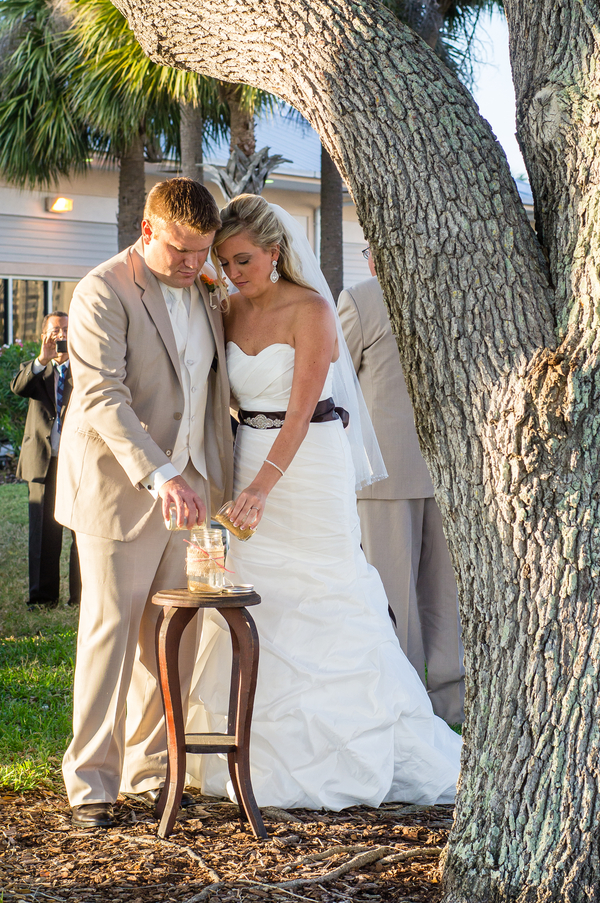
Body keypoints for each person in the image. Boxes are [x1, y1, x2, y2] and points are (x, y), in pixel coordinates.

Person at [186, 195, 461, 810]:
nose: (234, 273)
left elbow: (306, 407)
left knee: (325, 591)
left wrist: (262, 488)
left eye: (245, 260)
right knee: (257, 594)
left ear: (276, 252)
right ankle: (246, 748)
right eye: (225, 263)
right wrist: (242, 480)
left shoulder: (311, 309)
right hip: (250, 452)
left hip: (307, 461)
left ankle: (355, 742)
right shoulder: (225, 310)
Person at [55, 178, 233, 828]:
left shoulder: (210, 294)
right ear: (149, 230)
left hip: (192, 493)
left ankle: (153, 771)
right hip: (120, 490)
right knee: (110, 634)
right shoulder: (102, 289)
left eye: (203, 252)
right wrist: (161, 474)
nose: (192, 263)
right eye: (181, 249)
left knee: (171, 638)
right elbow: (103, 394)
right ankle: (91, 786)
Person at [337, 259, 465, 724]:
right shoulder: (460, 292)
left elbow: (338, 385)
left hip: (390, 475)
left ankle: (410, 710)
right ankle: (446, 707)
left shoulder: (361, 299)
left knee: (402, 604)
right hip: (446, 472)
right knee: (441, 600)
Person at [11, 312, 81, 611]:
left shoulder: (86, 370)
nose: (60, 335)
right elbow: (19, 387)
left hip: (78, 463)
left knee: (82, 530)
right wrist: (43, 357)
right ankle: (43, 597)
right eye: (55, 330)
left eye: (66, 329)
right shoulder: (37, 370)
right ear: (44, 335)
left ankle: (81, 595)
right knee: (43, 533)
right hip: (43, 461)